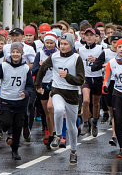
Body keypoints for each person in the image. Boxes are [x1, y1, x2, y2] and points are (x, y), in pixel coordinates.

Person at [35, 33, 85, 165]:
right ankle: (57, 136)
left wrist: (67, 76)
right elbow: (42, 69)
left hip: (73, 93)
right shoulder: (54, 56)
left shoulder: (76, 59)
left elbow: (81, 79)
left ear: (71, 45)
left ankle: (73, 151)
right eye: (61, 44)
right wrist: (38, 86)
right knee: (57, 110)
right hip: (57, 90)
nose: (62, 46)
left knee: (72, 126)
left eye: (65, 44)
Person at [0, 43, 35, 160]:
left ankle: (15, 149)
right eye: (13, 52)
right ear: (10, 53)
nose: (15, 54)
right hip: (6, 100)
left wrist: (26, 93)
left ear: (21, 54)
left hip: (20, 102)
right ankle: (6, 131)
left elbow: (30, 86)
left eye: (17, 52)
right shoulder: (4, 66)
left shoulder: (25, 68)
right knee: (6, 123)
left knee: (17, 127)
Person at [78, 28, 104, 137]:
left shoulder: (101, 48)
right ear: (83, 37)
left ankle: (94, 123)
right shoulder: (80, 49)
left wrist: (97, 60)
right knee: (86, 100)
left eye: (91, 35)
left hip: (97, 77)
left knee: (96, 103)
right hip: (86, 78)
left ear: (95, 37)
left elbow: (105, 62)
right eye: (86, 35)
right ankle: (85, 124)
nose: (89, 37)